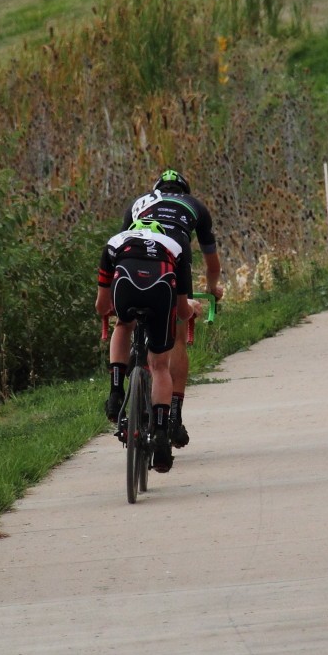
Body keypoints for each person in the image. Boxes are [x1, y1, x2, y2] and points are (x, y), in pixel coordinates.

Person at [104, 169, 224, 450]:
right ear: (184, 191)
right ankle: (173, 417)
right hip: (174, 255)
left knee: (125, 322)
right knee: (176, 336)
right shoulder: (195, 206)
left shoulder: (138, 202)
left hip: (131, 263)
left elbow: (124, 244)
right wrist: (213, 287)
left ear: (156, 188)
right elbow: (212, 263)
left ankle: (117, 388)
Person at [95, 220, 202, 473]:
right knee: (160, 366)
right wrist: (191, 309)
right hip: (160, 288)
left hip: (126, 283)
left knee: (123, 325)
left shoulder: (115, 241)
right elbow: (182, 310)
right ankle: (162, 438)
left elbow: (101, 306)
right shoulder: (174, 246)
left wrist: (111, 310)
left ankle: (115, 394)